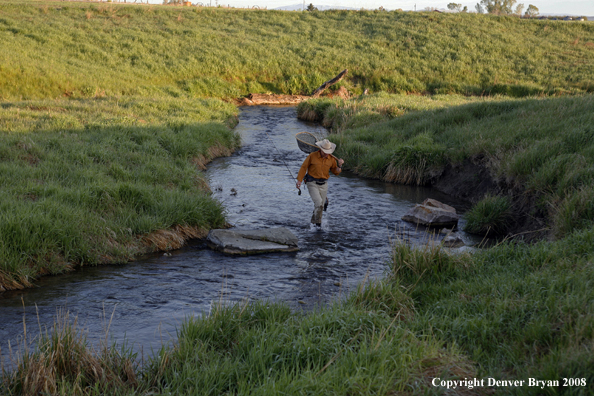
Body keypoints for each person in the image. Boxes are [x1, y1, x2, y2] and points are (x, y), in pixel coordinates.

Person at [296, 139, 345, 227]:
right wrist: (299, 180)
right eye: (325, 151)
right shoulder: (312, 156)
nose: (326, 153)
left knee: (321, 206)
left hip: (324, 184)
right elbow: (304, 167)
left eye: (328, 152)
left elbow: (336, 172)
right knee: (318, 203)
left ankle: (313, 224)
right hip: (312, 182)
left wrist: (339, 165)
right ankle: (318, 225)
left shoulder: (332, 159)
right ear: (321, 149)